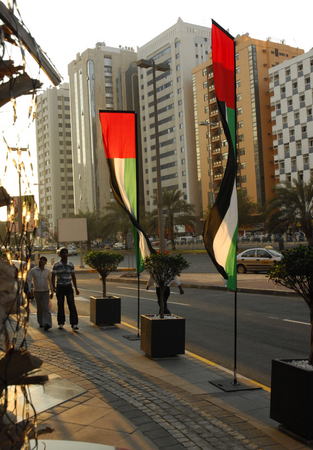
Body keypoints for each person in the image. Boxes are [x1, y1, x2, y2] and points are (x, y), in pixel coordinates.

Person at [51, 247, 79, 331]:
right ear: (60, 255)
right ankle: (61, 323)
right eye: (62, 253)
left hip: (68, 287)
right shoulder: (56, 265)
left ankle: (74, 324)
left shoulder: (71, 264)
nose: (64, 254)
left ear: (67, 254)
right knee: (60, 305)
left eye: (66, 253)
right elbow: (53, 277)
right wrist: (53, 287)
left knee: (72, 305)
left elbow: (73, 277)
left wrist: (76, 288)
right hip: (60, 287)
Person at [27, 256, 53, 331]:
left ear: (45, 262)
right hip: (37, 292)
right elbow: (29, 280)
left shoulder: (47, 271)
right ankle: (41, 322)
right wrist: (29, 290)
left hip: (45, 291)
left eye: (44, 261)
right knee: (40, 308)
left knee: (46, 308)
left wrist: (52, 291)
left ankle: (47, 323)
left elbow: (50, 282)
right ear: (39, 261)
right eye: (41, 261)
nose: (42, 262)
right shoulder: (33, 270)